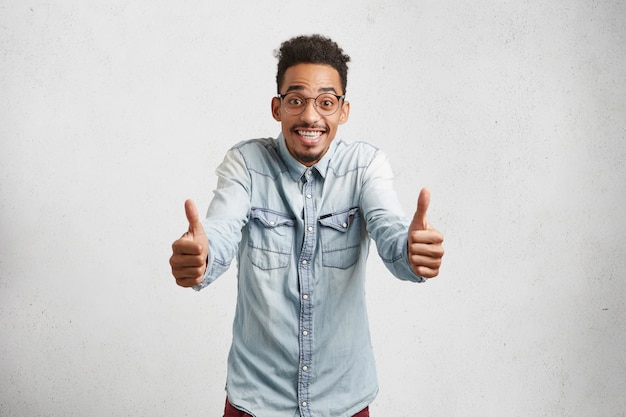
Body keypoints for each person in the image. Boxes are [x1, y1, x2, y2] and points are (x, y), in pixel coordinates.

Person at [169, 34, 444, 417]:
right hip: (257, 403)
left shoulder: (365, 167)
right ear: (277, 107)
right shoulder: (246, 164)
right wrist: (201, 258)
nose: (311, 117)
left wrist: (411, 253)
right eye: (296, 100)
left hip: (343, 402)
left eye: (326, 102)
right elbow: (220, 229)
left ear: (343, 110)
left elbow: (391, 231)